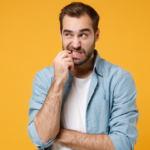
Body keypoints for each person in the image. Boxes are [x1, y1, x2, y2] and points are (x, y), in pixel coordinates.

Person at [27, 2, 139, 150]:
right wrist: (58, 80)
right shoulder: (44, 78)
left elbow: (122, 144)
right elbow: (40, 138)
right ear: (60, 34)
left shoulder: (119, 79)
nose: (75, 44)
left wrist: (56, 135)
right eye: (68, 34)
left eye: (83, 35)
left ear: (96, 35)